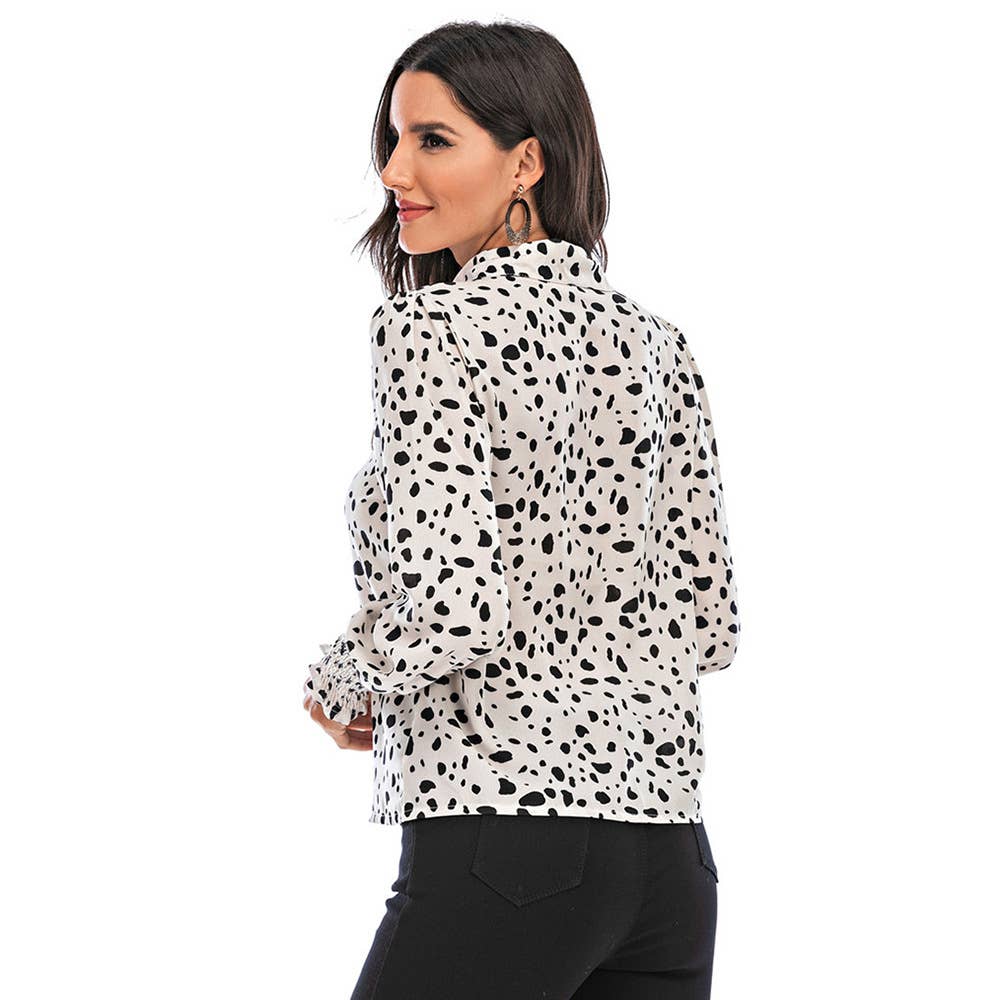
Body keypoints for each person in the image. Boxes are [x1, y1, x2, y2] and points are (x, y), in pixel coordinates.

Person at [302, 19, 740, 1000]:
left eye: (433, 139)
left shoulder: (431, 330)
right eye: (394, 138)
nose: (394, 170)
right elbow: (709, 625)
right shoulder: (659, 345)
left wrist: (344, 680)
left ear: (527, 162)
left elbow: (455, 608)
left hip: (505, 842)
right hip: (669, 861)